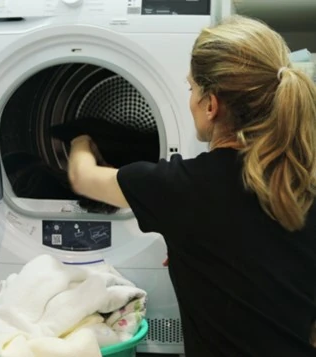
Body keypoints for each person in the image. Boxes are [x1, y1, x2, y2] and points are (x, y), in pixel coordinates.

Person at [67, 15, 316, 357]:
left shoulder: (180, 188)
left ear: (211, 105)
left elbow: (82, 176)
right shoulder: (306, 179)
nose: (190, 99)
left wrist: (79, 136)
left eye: (191, 89)